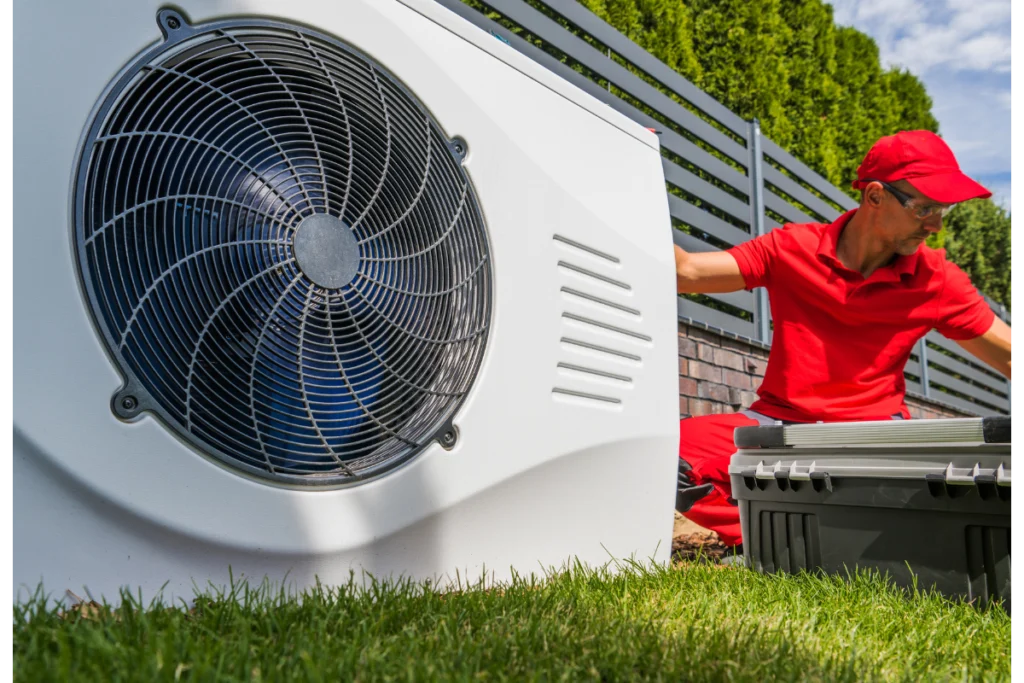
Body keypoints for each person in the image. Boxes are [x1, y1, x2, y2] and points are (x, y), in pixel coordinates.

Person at [673, 130, 1014, 550]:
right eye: (924, 207)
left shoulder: (937, 279)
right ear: (875, 196)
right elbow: (686, 272)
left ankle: (798, 533)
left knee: (940, 492)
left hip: (873, 437)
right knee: (668, 458)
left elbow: (1010, 355)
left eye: (942, 209)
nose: (936, 224)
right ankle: (790, 536)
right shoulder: (789, 249)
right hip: (778, 428)